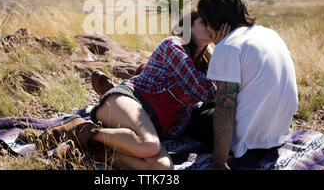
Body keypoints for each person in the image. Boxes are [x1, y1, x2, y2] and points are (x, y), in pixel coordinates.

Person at [39, 10, 230, 170]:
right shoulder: (173, 45)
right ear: (188, 26)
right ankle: (79, 129)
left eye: (211, 23)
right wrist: (219, 52)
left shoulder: (203, 66)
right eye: (203, 21)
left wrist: (214, 55)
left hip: (151, 126)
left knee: (163, 167)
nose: (209, 26)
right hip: (131, 101)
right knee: (149, 145)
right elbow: (209, 92)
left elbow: (215, 98)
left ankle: (93, 150)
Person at [197, 0, 298, 170]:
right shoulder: (270, 34)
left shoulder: (228, 47)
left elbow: (225, 107)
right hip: (278, 134)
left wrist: (219, 161)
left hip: (248, 143)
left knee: (195, 116)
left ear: (213, 21)